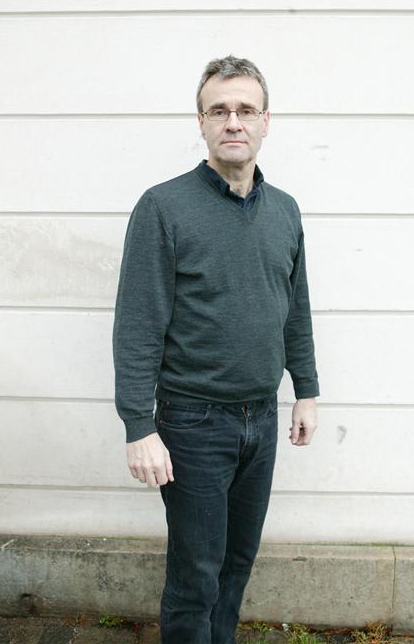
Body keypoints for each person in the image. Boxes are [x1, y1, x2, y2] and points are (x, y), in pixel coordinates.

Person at [112, 54, 320, 644]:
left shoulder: (285, 210)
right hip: (193, 422)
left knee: (236, 567)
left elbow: (295, 308)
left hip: (262, 419)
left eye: (246, 110)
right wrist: (138, 425)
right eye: (219, 110)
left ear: (266, 121)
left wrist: (306, 390)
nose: (233, 121)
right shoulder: (163, 207)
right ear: (200, 122)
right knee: (195, 577)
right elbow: (138, 324)